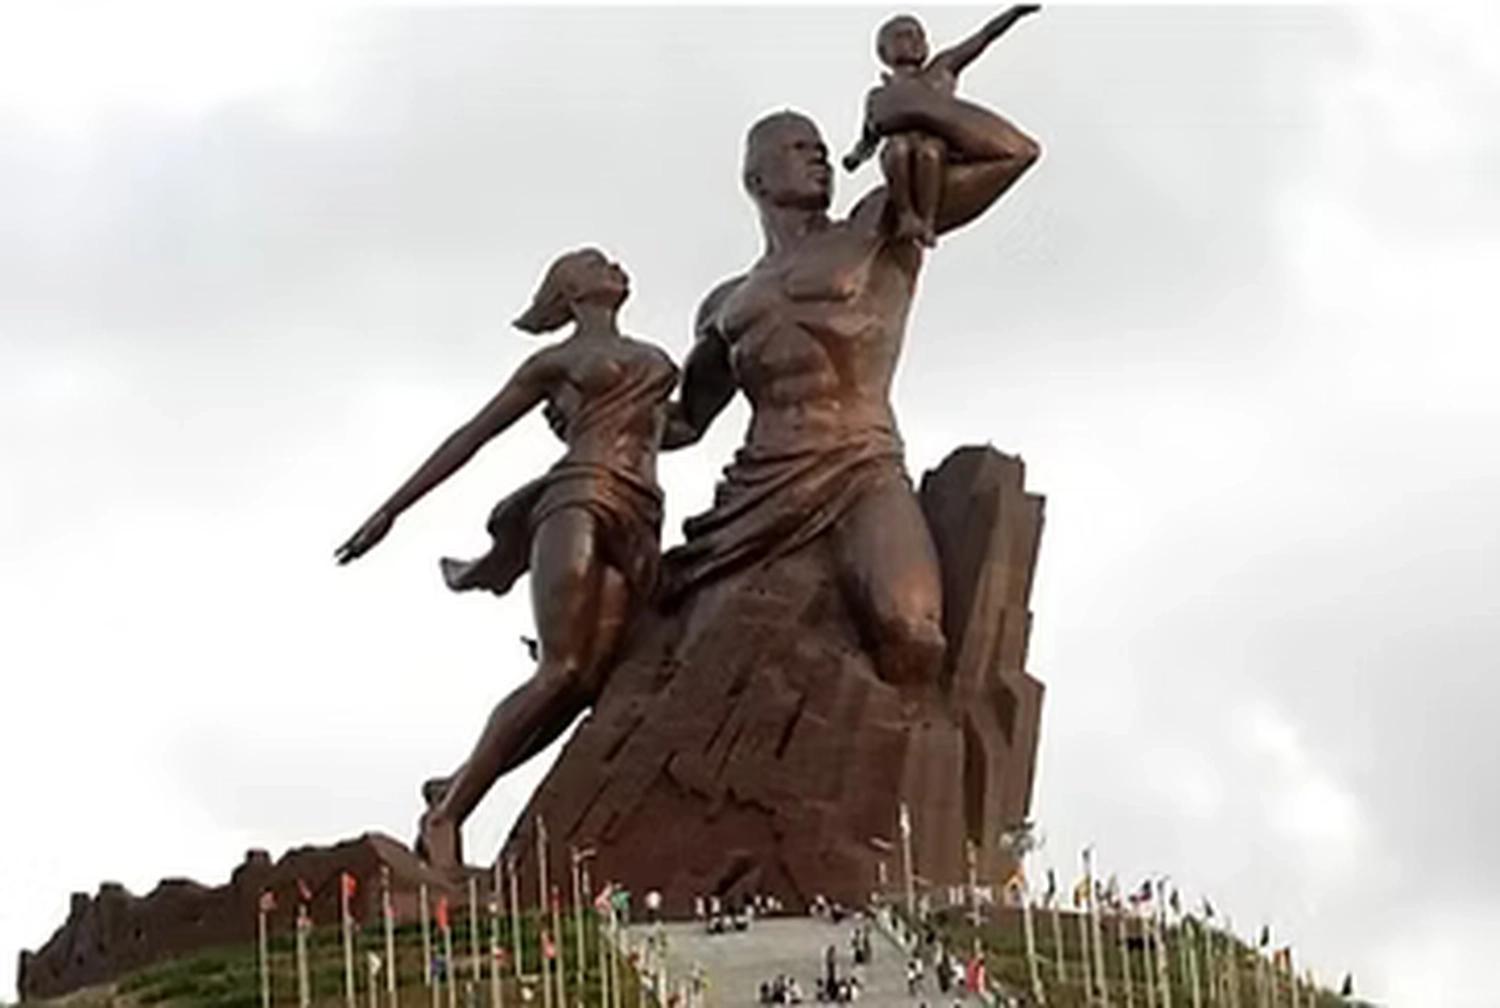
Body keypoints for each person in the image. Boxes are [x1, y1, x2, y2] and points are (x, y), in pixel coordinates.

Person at [661, 70, 1039, 697]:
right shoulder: (726, 303)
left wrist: (915, 104)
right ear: (756, 179)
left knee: (912, 635)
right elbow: (684, 422)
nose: (818, 156)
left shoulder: (880, 224)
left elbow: (1013, 153)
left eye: (821, 147)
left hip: (860, 464)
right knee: (699, 659)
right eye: (796, 147)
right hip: (758, 486)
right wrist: (597, 417)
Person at [336, 248, 679, 871]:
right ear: (573, 290)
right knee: (560, 669)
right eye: (600, 263)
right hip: (578, 498)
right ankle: (448, 814)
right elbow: (472, 436)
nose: (618, 266)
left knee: (585, 684)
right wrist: (390, 510)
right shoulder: (554, 362)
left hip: (640, 512)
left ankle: (458, 781)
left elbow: (675, 430)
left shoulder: (656, 360)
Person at [842, 6, 1040, 247]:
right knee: (898, 147)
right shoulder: (879, 95)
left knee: (931, 151)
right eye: (903, 36)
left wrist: (1012, 15)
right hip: (900, 158)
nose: (915, 41)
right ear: (884, 52)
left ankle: (926, 220)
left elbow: (982, 38)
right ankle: (906, 215)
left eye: (919, 36)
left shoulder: (941, 69)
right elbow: (868, 139)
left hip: (935, 153)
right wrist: (855, 157)